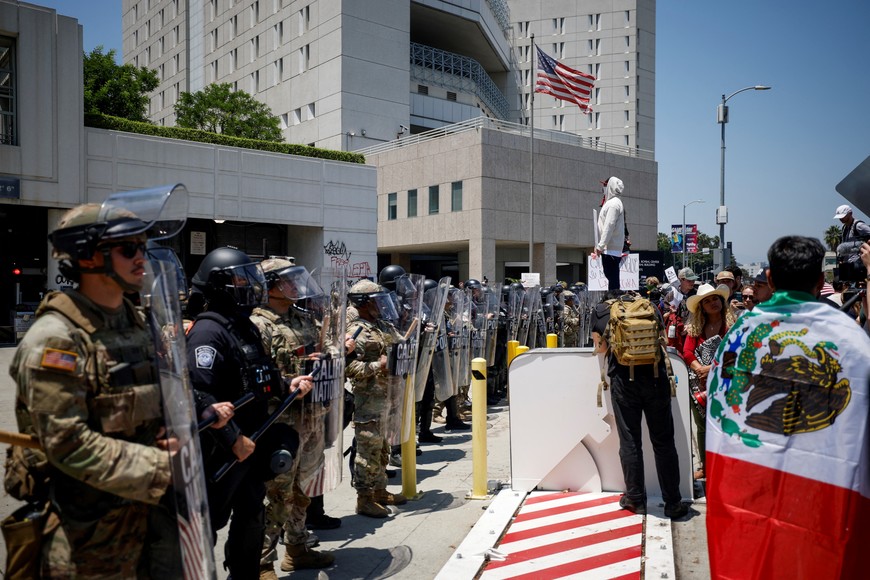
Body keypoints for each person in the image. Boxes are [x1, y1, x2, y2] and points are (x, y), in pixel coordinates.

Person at [7, 200, 224, 577]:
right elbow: (67, 443)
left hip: (153, 522)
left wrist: (190, 417)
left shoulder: (136, 322)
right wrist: (160, 466)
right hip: (91, 537)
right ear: (88, 256)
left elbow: (158, 397)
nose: (142, 257)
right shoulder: (56, 339)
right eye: (129, 248)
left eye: (143, 246)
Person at [706, 236, 870, 578]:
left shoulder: (739, 336)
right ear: (820, 282)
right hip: (822, 501)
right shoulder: (853, 341)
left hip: (748, 489)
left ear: (770, 278)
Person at [186, 247, 314, 579]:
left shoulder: (243, 327)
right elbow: (200, 395)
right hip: (222, 452)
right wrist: (233, 439)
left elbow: (262, 376)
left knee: (251, 517)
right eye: (241, 279)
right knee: (208, 525)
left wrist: (289, 384)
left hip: (252, 444)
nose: (249, 285)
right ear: (220, 285)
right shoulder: (207, 332)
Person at [250, 259, 338, 579]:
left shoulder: (302, 318)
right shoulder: (258, 325)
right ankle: (261, 561)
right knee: (278, 493)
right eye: (287, 280)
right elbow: (254, 378)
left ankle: (297, 549)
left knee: (303, 487)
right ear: (270, 285)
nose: (295, 285)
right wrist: (286, 386)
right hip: (280, 421)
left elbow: (324, 352)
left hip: (310, 416)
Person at [590, 291, 688, 520]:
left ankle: (635, 498)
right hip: (656, 380)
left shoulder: (602, 311)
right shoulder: (650, 307)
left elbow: (601, 348)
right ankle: (672, 502)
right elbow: (662, 339)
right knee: (663, 441)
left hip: (625, 382)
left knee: (630, 440)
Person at [346, 279, 408, 518]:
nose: (382, 305)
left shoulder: (383, 325)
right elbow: (348, 369)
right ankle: (364, 498)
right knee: (367, 451)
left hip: (389, 396)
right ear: (364, 303)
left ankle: (380, 491)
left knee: (383, 449)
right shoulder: (355, 331)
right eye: (376, 300)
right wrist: (376, 365)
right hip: (369, 399)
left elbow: (400, 345)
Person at [682, 283, 736, 481]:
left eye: (715, 299)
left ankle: (726, 466)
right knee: (703, 427)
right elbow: (687, 351)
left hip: (727, 383)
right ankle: (705, 466)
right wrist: (699, 368)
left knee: (725, 425)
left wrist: (711, 369)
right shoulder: (696, 328)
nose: (713, 303)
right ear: (701, 307)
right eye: (707, 301)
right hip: (700, 385)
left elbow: (737, 352)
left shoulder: (733, 325)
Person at [594, 177, 626, 291]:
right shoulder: (614, 203)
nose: (603, 188)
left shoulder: (613, 204)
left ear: (610, 187)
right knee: (611, 279)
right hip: (611, 248)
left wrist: (601, 245)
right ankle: (614, 299)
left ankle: (615, 301)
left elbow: (609, 225)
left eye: (605, 186)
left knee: (612, 281)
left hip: (610, 248)